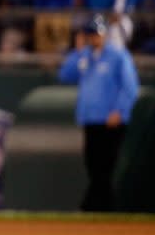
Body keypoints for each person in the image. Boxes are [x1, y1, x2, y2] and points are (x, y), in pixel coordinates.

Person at [59, 16, 140, 211]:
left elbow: (130, 87)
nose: (94, 38)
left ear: (104, 34)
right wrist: (77, 52)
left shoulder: (118, 56)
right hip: (91, 118)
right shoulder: (85, 57)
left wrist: (120, 111)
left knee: (106, 165)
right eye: (91, 34)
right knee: (92, 163)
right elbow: (65, 75)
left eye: (97, 33)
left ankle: (96, 206)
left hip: (111, 119)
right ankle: (100, 206)